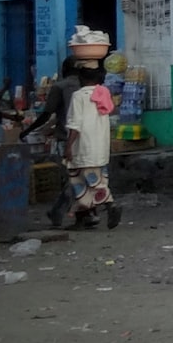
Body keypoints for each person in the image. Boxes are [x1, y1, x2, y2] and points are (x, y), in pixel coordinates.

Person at [24, 58, 82, 227]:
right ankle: (73, 213)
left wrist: (29, 130)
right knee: (79, 178)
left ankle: (59, 211)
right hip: (84, 139)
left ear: (64, 69)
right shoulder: (86, 88)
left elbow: (47, 113)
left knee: (70, 179)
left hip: (65, 138)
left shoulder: (60, 87)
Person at [64, 62, 121, 230]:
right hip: (100, 148)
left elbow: (75, 125)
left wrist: (68, 146)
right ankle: (82, 219)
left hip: (83, 148)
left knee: (83, 182)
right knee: (96, 181)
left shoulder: (79, 96)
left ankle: (110, 205)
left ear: (81, 78)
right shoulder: (103, 93)